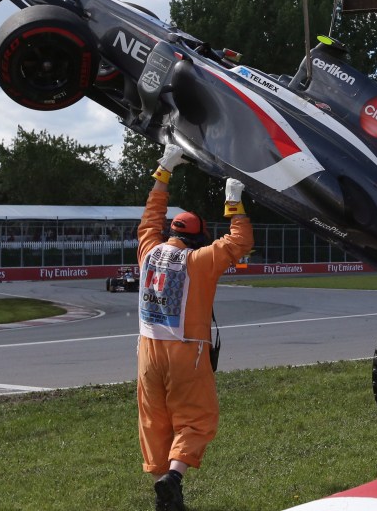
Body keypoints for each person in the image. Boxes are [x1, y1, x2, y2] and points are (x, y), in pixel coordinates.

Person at [135, 144, 254, 511]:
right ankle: (173, 477)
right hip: (186, 349)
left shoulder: (148, 250)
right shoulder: (199, 260)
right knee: (198, 418)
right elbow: (241, 242)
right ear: (198, 239)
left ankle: (165, 497)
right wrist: (233, 203)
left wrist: (164, 170)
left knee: (154, 421)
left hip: (147, 351)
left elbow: (150, 218)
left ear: (172, 232)